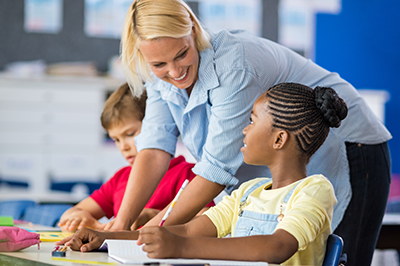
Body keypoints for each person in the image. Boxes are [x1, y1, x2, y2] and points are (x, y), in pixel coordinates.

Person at [108, 1, 392, 265]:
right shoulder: (247, 193)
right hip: (283, 176)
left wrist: (151, 237)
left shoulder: (235, 64)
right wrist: (120, 229)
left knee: (340, 255)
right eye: (159, 65)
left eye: (182, 54)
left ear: (193, 31)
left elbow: (216, 169)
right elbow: (155, 149)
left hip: (350, 146)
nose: (174, 70)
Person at [57, 83, 346, 266]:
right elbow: (184, 229)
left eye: (252, 121)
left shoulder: (314, 190)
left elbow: (276, 247)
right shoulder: (249, 192)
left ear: (279, 139)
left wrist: (181, 247)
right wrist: (108, 239)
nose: (244, 130)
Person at [57, 83, 214, 232]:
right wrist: (83, 219)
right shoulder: (121, 178)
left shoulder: (187, 174)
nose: (123, 146)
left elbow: (210, 219)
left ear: (156, 126)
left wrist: (153, 215)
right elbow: (68, 215)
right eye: (116, 139)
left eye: (130, 134)